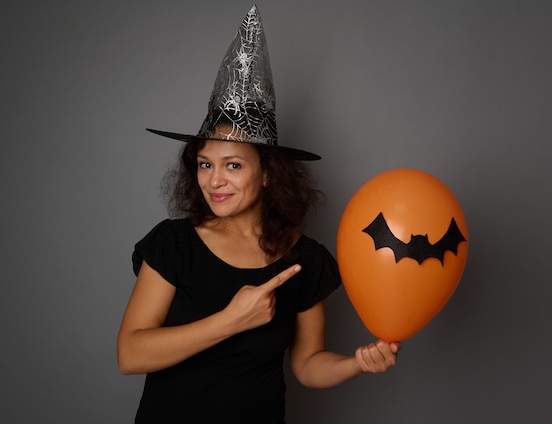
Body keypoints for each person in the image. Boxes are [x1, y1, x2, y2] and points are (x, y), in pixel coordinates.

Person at [117, 6, 400, 423]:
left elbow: (307, 364)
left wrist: (358, 363)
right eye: (204, 163)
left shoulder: (304, 260)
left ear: (267, 174)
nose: (215, 180)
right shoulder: (174, 244)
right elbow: (130, 354)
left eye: (233, 165)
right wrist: (230, 321)